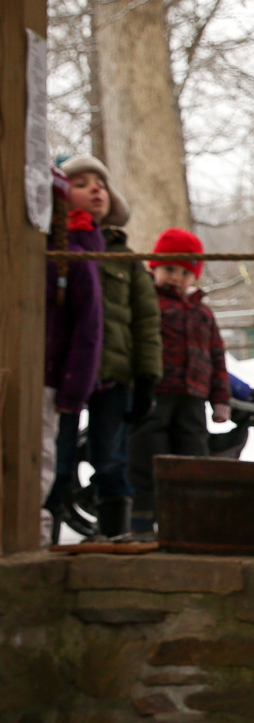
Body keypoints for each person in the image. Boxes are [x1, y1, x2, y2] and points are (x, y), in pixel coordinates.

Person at [58, 155, 162, 539]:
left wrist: (148, 377)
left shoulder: (126, 258)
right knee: (60, 457)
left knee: (112, 461)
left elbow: (147, 322)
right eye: (82, 183)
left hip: (115, 376)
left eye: (99, 182)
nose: (95, 189)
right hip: (64, 374)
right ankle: (48, 530)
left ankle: (114, 535)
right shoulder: (55, 250)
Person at [128, 228, 232, 535]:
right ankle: (142, 524)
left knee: (193, 460)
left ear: (194, 277)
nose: (175, 277)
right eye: (169, 269)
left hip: (192, 397)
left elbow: (217, 357)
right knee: (148, 458)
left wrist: (221, 397)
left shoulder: (203, 313)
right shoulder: (147, 303)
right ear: (154, 267)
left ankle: (188, 525)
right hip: (154, 395)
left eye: (184, 272)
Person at [42, 165, 105, 543]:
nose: (94, 190)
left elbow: (90, 328)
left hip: (54, 383)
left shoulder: (74, 257)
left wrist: (72, 391)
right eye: (82, 185)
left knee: (52, 464)